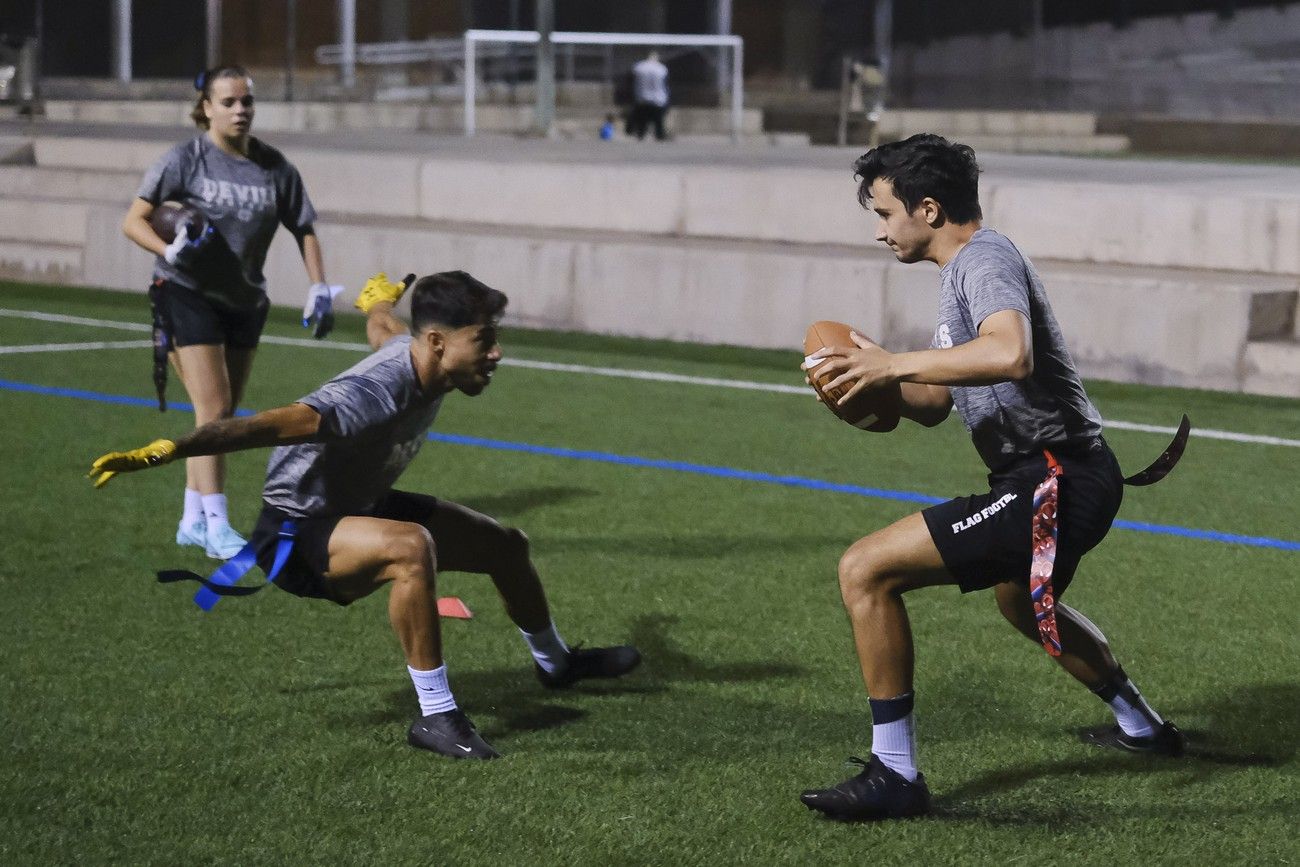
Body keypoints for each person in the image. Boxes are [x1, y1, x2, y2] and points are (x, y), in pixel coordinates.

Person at [88, 270, 642, 759]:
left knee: (506, 546)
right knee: (410, 546)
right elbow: (260, 426)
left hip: (357, 506)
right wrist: (169, 450)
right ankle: (436, 715)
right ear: (437, 341)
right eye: (485, 340)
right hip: (295, 534)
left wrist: (375, 303)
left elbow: (385, 332)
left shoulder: (424, 353)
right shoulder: (371, 394)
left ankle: (556, 664)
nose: (496, 353)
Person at [798, 134, 1183, 821]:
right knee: (1019, 603)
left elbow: (1009, 353)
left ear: (930, 208)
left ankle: (894, 772)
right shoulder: (959, 278)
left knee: (864, 570)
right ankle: (1143, 724)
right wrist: (868, 382)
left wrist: (893, 363)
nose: (881, 232)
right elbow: (930, 405)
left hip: (1054, 479)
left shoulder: (984, 258)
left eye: (886, 215)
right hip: (1059, 477)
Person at [121, 64, 343, 562]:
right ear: (206, 108)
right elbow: (132, 220)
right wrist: (167, 249)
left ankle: (191, 517)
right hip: (186, 291)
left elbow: (302, 226)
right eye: (228, 102)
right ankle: (218, 525)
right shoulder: (185, 159)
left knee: (219, 414)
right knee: (215, 410)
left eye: (246, 101)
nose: (240, 110)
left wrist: (319, 286)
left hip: (245, 300)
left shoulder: (273, 166)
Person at [629, 51, 670, 141]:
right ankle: (659, 135)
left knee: (642, 120)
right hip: (658, 98)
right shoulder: (662, 68)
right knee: (658, 121)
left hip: (642, 97)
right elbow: (665, 83)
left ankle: (641, 134)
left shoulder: (639, 67)